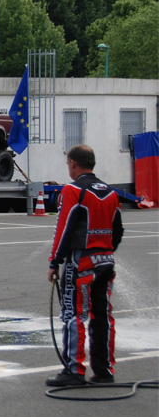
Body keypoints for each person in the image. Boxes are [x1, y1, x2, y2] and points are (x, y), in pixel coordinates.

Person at [46, 145, 123, 387]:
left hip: (81, 261)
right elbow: (118, 229)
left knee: (73, 314)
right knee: (102, 315)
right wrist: (106, 250)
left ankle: (74, 370)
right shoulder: (110, 192)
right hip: (106, 260)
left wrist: (55, 261)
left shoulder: (73, 190)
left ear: (73, 164)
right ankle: (104, 371)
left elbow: (64, 228)